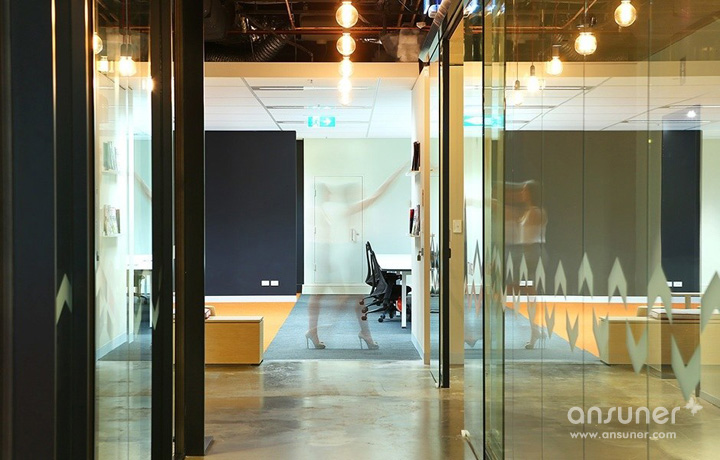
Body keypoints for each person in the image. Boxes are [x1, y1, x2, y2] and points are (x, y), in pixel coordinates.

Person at [305, 161, 410, 350]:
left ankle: (324, 330)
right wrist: (398, 171)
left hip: (332, 259)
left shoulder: (326, 211)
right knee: (349, 297)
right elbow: (376, 196)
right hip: (330, 259)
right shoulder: (334, 210)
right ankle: (332, 329)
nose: (330, 193)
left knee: (344, 297)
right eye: (327, 191)